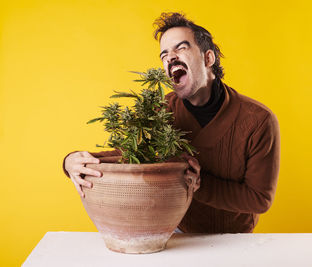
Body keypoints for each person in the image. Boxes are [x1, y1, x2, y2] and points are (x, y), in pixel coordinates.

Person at [63, 12, 280, 233]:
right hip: (176, 234)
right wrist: (73, 161)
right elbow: (130, 154)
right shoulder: (162, 111)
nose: (170, 57)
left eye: (181, 48)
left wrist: (200, 183)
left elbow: (259, 199)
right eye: (164, 54)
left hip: (235, 239)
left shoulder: (258, 120)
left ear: (208, 59)